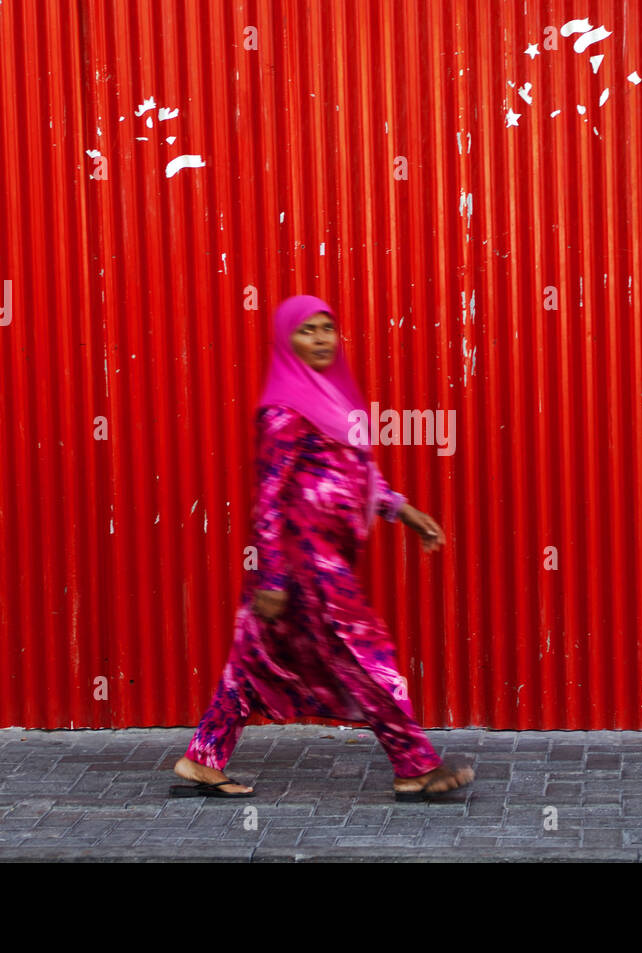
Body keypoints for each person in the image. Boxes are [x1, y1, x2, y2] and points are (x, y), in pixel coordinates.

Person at [171, 294, 475, 801]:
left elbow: (357, 474)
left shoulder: (334, 400)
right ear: (285, 341)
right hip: (303, 562)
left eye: (327, 328)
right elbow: (267, 497)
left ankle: (204, 756)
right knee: (366, 653)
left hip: (315, 558)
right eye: (306, 330)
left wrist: (404, 511)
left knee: (254, 662)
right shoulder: (281, 411)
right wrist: (270, 578)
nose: (320, 339)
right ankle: (415, 764)